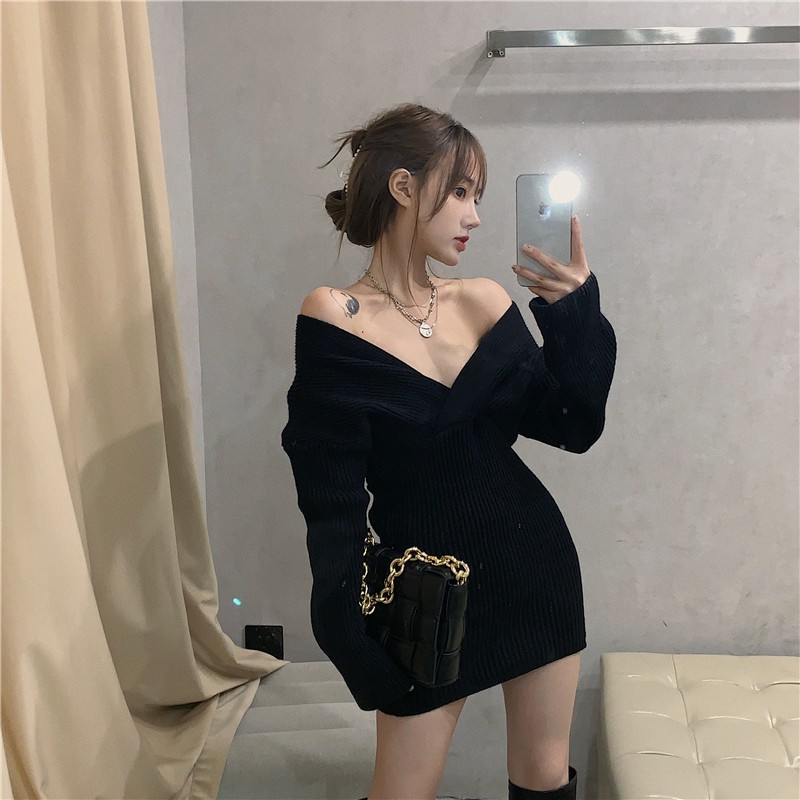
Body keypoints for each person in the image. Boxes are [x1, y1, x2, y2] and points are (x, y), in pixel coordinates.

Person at [280, 102, 616, 800]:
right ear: (404, 187)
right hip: (429, 596)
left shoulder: (481, 301)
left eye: (477, 196)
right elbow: (331, 501)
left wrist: (575, 310)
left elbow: (573, 424)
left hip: (534, 566)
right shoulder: (334, 317)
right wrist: (347, 631)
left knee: (544, 777)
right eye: (460, 192)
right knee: (401, 791)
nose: (475, 216)